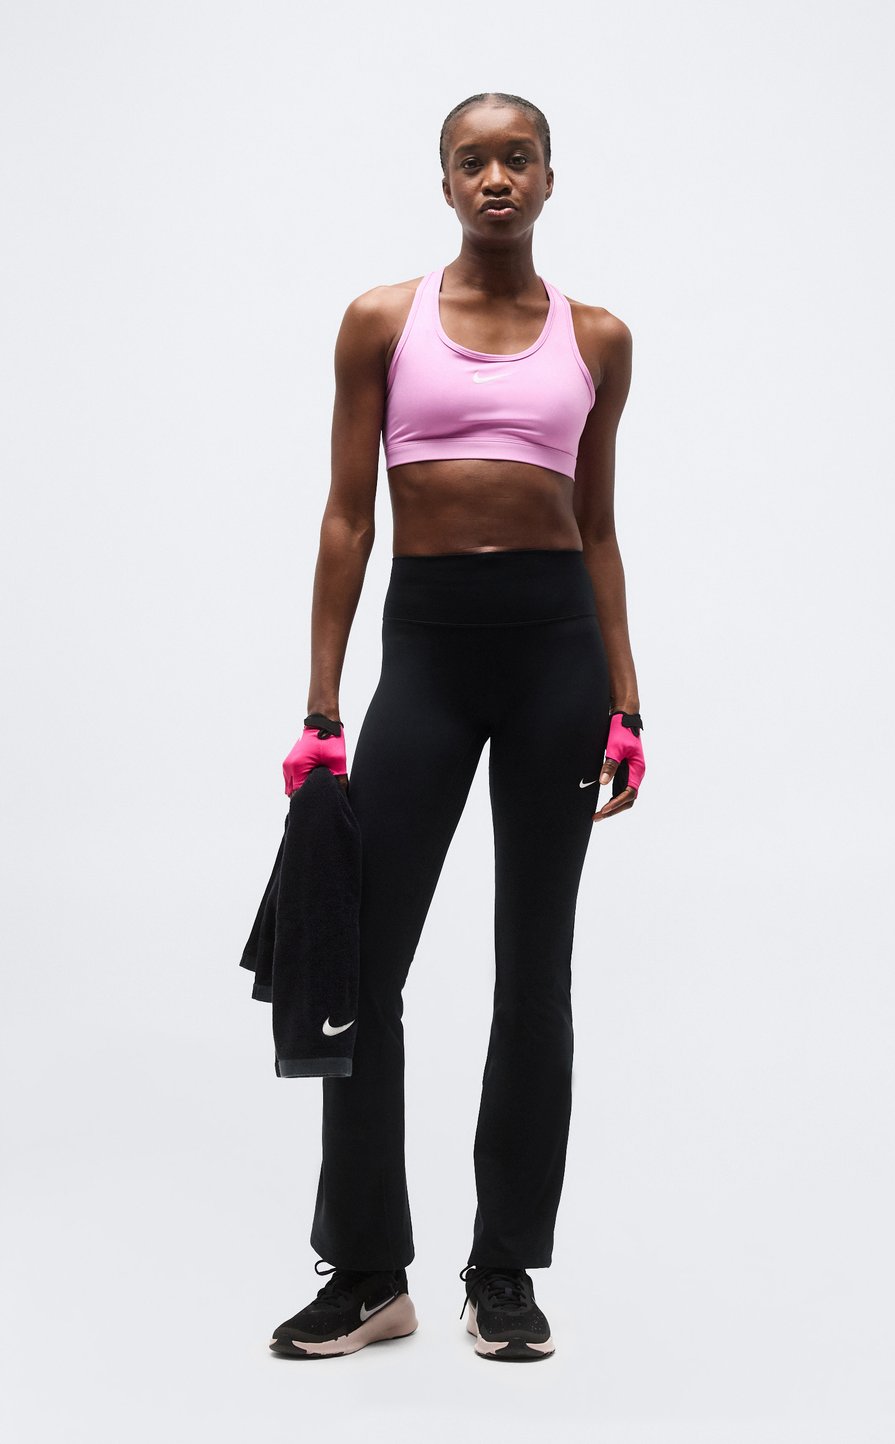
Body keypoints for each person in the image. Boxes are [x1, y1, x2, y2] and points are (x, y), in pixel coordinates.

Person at [267, 91, 646, 1364]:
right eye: (471, 161)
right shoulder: (383, 321)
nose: (496, 178)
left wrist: (627, 700)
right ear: (443, 183)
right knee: (362, 969)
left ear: (548, 179)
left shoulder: (598, 338)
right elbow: (346, 518)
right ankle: (369, 1270)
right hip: (424, 655)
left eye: (516, 158)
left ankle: (503, 1271)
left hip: (556, 660)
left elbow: (598, 529)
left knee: (534, 971)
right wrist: (321, 707)